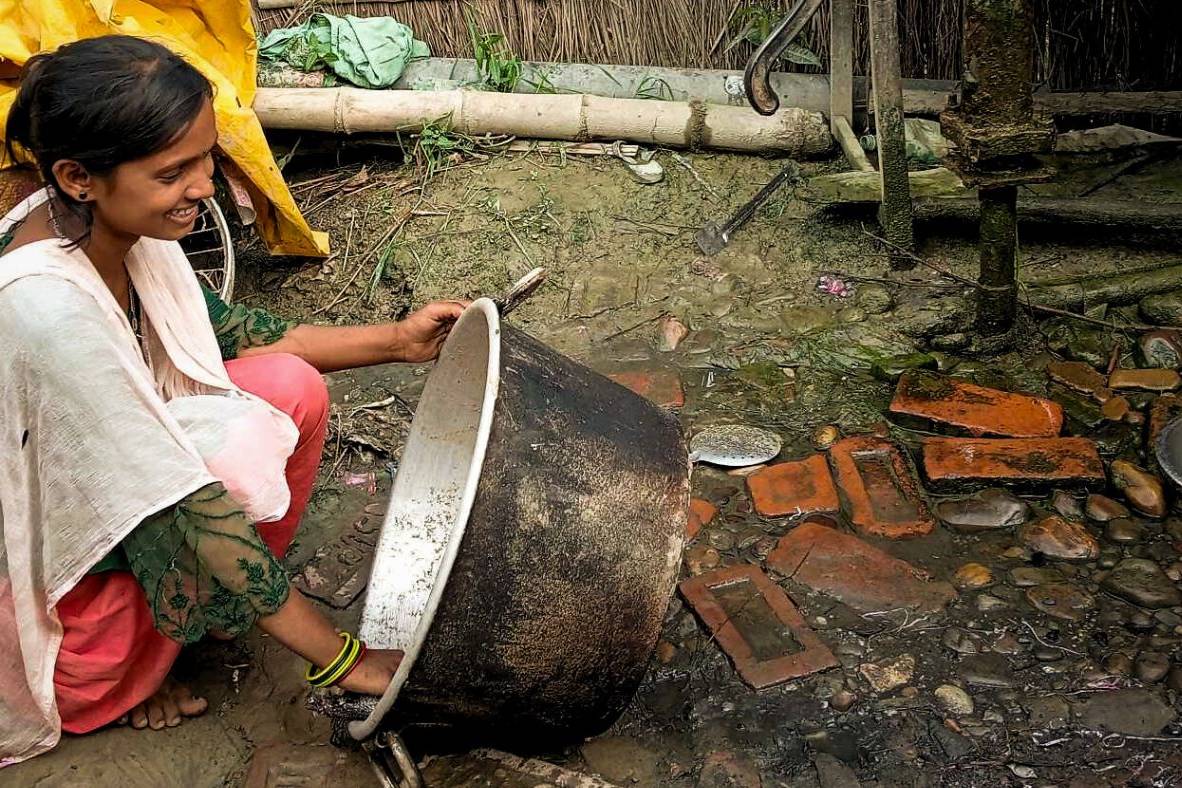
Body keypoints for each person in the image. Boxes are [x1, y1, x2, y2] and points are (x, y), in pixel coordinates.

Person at [0, 35, 465, 765]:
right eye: (174, 172)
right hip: (52, 573)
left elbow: (252, 338)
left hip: (120, 490)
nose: (205, 186)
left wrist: (401, 342)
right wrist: (342, 658)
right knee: (206, 503)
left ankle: (216, 617)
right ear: (76, 176)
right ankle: (113, 687)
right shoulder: (46, 309)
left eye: (206, 158)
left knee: (287, 389)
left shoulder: (110, 225)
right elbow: (178, 503)